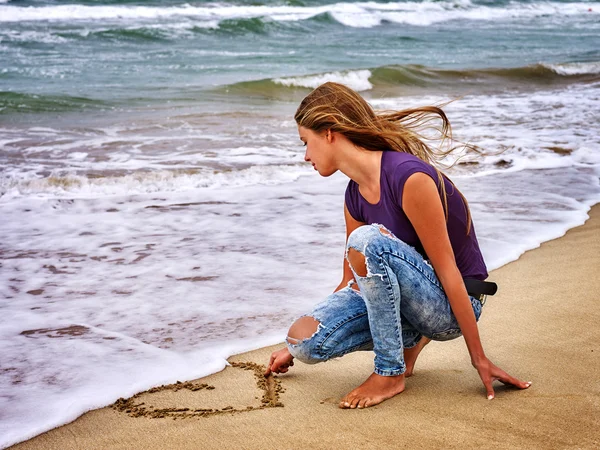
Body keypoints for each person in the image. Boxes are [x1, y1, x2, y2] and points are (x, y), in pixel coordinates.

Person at [264, 82, 531, 409]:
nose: (305, 155)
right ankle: (407, 342)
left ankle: (390, 373)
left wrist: (479, 359)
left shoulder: (408, 178)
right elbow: (352, 278)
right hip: (407, 301)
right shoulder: (354, 196)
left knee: (366, 241)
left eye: (306, 142)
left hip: (449, 305)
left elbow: (447, 270)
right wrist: (289, 348)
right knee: (303, 339)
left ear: (330, 133)